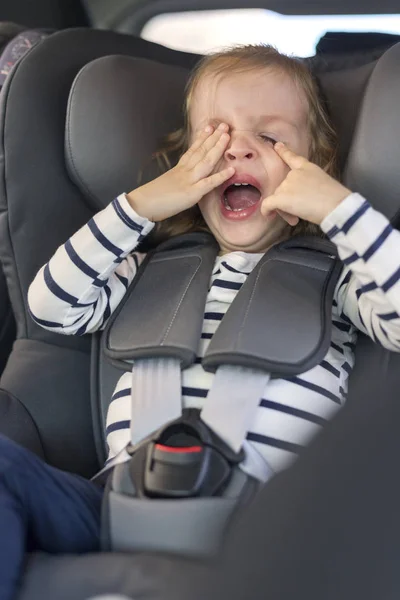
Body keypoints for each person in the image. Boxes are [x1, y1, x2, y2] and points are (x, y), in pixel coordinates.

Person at [1, 44, 400, 600]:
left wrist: (338, 210)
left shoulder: (339, 278)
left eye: (271, 137)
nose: (237, 149)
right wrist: (142, 207)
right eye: (214, 136)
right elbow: (51, 308)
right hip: (117, 510)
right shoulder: (143, 268)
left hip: (271, 523)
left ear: (318, 168)